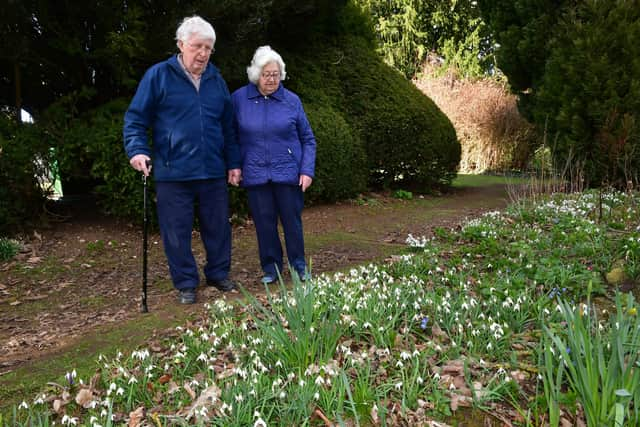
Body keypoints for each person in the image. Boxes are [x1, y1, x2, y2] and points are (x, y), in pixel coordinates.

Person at [123, 15, 241, 305]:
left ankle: (218, 273)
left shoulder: (216, 79)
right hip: (173, 171)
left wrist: (234, 163)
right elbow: (136, 119)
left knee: (218, 227)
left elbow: (229, 127)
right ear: (181, 44)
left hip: (212, 168)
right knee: (176, 231)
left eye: (208, 48)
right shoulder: (158, 76)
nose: (203, 53)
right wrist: (137, 150)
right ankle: (186, 282)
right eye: (197, 46)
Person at [231, 45, 316, 284]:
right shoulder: (239, 99)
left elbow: (308, 138)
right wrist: (235, 165)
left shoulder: (291, 101)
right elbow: (231, 136)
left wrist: (307, 170)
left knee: (292, 223)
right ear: (256, 74)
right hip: (255, 173)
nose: (271, 79)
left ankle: (298, 265)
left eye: (276, 74)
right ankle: (272, 268)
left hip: (288, 173)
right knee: (264, 224)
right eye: (267, 74)